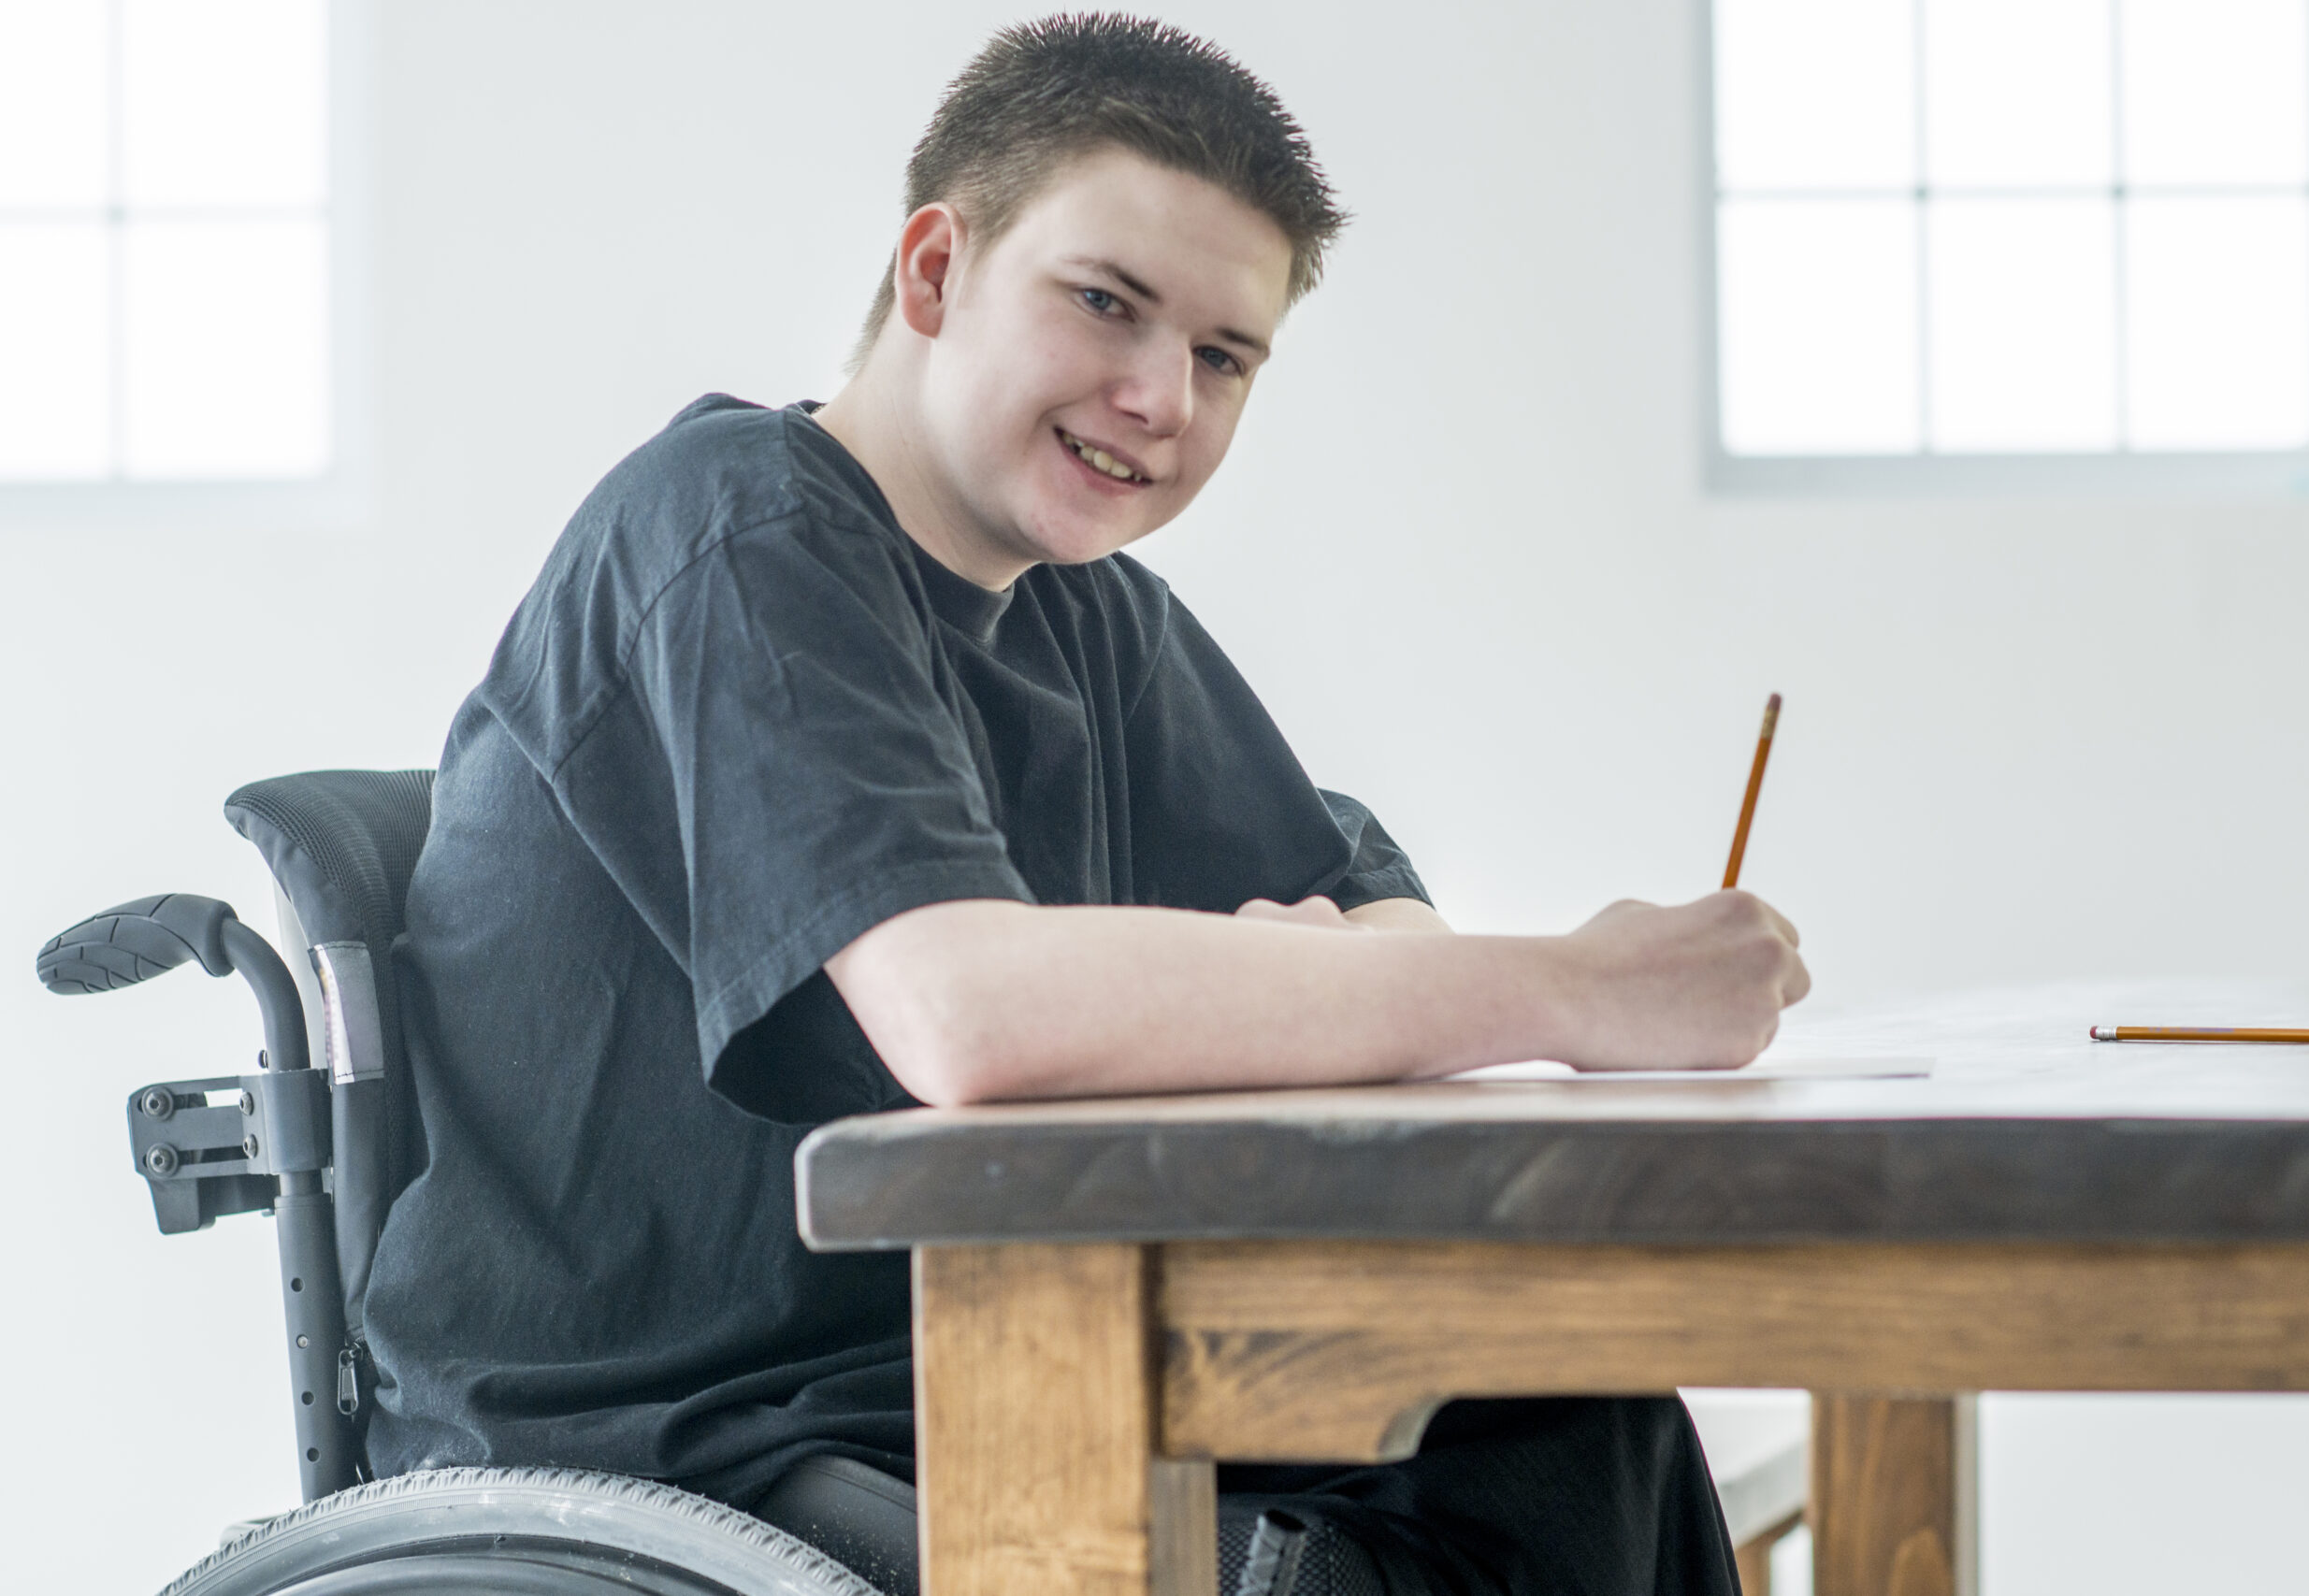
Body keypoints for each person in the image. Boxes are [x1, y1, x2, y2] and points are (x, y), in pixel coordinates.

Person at [369, 15, 1809, 1596]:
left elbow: (1366, 896)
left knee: (1567, 1422)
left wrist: (1329, 976)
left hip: (980, 1364)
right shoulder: (735, 527)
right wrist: (1570, 987)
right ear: (934, 274)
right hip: (680, 1433)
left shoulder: (1085, 613)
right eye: (1106, 305)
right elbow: (968, 1016)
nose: (1159, 398)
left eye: (1221, 357)